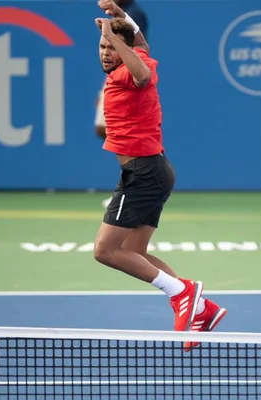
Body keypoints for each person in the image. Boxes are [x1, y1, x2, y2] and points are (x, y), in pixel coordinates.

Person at [93, 0, 227, 349]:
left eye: (112, 47)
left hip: (144, 172)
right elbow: (143, 49)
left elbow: (141, 72)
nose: (106, 52)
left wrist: (113, 32)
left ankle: (182, 291)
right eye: (102, 46)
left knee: (106, 252)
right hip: (153, 170)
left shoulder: (132, 73)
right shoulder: (141, 57)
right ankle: (199, 308)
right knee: (133, 250)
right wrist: (123, 22)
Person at [96, 1, 148, 209]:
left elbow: (137, 47)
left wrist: (110, 32)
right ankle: (132, 182)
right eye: (102, 45)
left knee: (121, 133)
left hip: (128, 75)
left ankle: (132, 185)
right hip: (120, 76)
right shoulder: (115, 72)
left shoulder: (135, 15)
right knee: (107, 130)